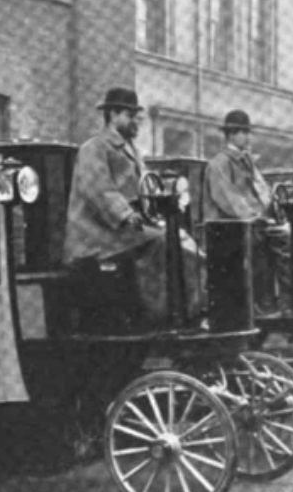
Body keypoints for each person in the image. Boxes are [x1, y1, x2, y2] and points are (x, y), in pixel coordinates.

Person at [64, 86, 203, 325]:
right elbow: (98, 190)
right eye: (130, 117)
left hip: (122, 230)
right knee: (162, 242)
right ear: (113, 115)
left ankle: (190, 310)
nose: (135, 123)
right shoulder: (94, 148)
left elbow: (146, 186)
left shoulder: (131, 150)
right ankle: (161, 316)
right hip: (97, 236)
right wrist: (128, 215)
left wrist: (170, 195)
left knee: (180, 239)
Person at [204, 109, 293, 312]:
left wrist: (277, 205)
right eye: (243, 132)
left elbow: (263, 192)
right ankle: (290, 302)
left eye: (248, 132)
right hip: (232, 231)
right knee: (290, 240)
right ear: (230, 135)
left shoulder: (247, 162)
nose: (248, 137)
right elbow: (230, 202)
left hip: (256, 226)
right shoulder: (218, 164)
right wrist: (260, 219)